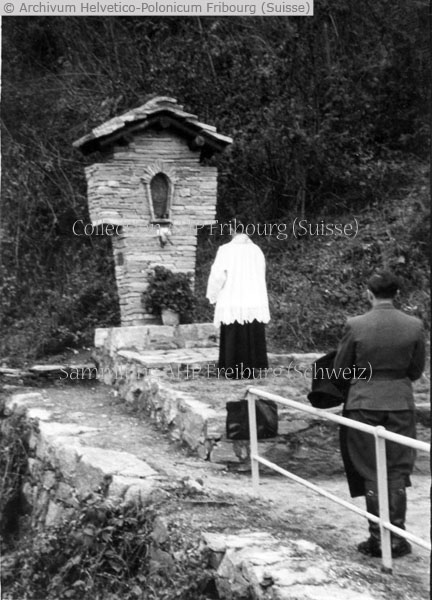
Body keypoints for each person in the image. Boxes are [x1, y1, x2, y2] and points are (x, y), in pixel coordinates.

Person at [333, 270, 425, 558]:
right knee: (397, 469)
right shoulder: (414, 325)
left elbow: (340, 370)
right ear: (397, 294)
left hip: (363, 403)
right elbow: (416, 370)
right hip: (399, 403)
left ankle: (378, 539)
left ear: (368, 294)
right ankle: (397, 538)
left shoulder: (355, 324)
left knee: (370, 469)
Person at [206, 222, 270, 379]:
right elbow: (261, 273)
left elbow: (218, 276)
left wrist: (213, 295)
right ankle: (250, 370)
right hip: (253, 299)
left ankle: (232, 370)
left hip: (233, 298)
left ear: (232, 230)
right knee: (251, 333)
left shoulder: (225, 250)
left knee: (234, 334)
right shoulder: (256, 250)